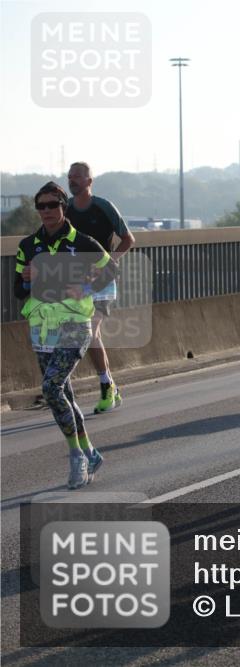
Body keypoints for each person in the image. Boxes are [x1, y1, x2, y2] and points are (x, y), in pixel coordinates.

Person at [14, 182, 117, 489]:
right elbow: (18, 291)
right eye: (41, 206)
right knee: (65, 395)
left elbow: (112, 271)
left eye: (52, 205)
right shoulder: (27, 246)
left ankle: (77, 457)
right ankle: (90, 451)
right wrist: (27, 278)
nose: (46, 211)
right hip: (43, 326)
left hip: (75, 324)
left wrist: (85, 289)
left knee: (51, 387)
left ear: (63, 207)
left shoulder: (83, 243)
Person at [65, 162, 135, 414]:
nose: (72, 181)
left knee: (90, 332)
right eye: (69, 177)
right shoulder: (65, 210)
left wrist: (108, 262)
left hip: (103, 281)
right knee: (90, 336)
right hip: (76, 283)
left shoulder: (103, 207)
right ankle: (110, 386)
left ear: (89, 181)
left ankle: (106, 388)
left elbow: (128, 239)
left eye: (77, 177)